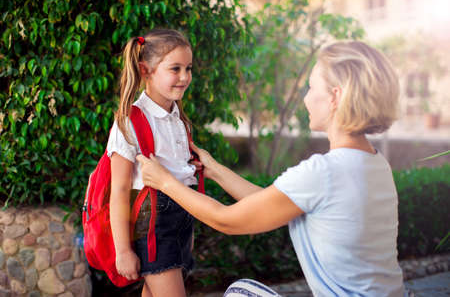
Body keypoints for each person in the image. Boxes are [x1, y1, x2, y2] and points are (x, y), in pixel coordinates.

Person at [137, 41, 406, 296]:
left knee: (241, 292)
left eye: (311, 88)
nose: (305, 99)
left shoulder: (324, 173)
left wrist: (165, 182)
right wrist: (214, 169)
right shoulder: (374, 163)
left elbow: (226, 220)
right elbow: (270, 201)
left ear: (335, 97)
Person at [108, 29, 197, 297]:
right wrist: (123, 250)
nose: (185, 77)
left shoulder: (178, 118)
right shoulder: (130, 122)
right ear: (146, 71)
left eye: (189, 68)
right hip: (154, 231)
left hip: (182, 222)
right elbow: (120, 191)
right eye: (175, 69)